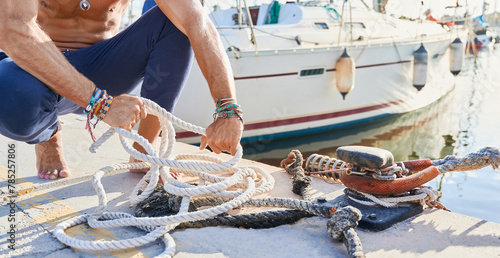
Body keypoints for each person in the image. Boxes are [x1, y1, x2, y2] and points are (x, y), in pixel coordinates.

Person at [0, 0, 244, 180]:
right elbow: (12, 29)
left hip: (100, 67)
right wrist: (99, 104)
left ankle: (143, 151)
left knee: (173, 22)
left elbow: (196, 20)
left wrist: (228, 108)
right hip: (33, 68)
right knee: (8, 93)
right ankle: (49, 135)